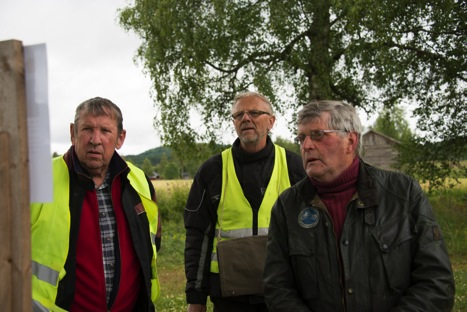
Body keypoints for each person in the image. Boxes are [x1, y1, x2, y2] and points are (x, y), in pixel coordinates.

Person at [263, 100, 456, 311]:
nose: (306, 145)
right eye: (301, 138)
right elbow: (278, 288)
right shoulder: (287, 206)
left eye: (318, 135)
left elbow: (436, 282)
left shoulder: (403, 193)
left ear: (351, 141)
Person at [31, 97, 161, 311]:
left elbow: (153, 241)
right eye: (87, 129)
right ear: (73, 132)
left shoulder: (138, 181)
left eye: (105, 131)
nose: (95, 139)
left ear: (120, 138)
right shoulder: (37, 179)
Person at [184, 91, 306, 312]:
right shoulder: (213, 171)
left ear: (271, 121)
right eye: (238, 115)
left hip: (284, 292)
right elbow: (197, 236)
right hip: (230, 296)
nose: (245, 118)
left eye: (254, 113)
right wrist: (196, 297)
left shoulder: (295, 167)